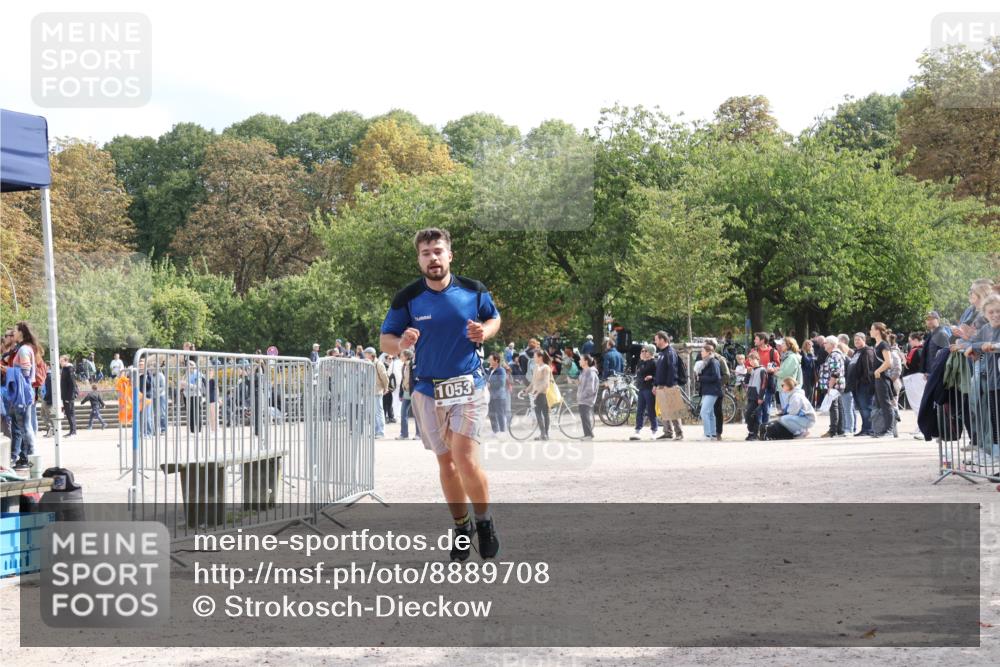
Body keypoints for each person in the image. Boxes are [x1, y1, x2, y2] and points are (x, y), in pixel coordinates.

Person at [379, 227, 501, 561]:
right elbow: (385, 340)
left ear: (450, 255)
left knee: (464, 457)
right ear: (419, 259)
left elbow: (494, 318)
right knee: (446, 465)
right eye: (426, 253)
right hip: (427, 390)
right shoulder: (408, 297)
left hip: (468, 385)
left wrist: (484, 331)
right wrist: (401, 344)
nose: (433, 258)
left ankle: (485, 521)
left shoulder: (473, 291)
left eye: (438, 251)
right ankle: (462, 527)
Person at [652, 331, 684, 441]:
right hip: (661, 385)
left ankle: (679, 433)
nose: (655, 342)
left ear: (662, 339)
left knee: (673, 410)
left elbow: (672, 370)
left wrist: (669, 384)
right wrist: (656, 384)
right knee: (664, 411)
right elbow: (659, 371)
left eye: (656, 339)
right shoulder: (662, 353)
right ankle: (668, 432)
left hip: (669, 385)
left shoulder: (670, 352)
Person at [870, 322, 897, 438]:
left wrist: (878, 371)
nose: (870, 331)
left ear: (877, 331)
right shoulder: (876, 345)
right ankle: (881, 429)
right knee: (879, 404)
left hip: (882, 378)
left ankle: (890, 430)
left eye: (872, 329)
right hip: (877, 379)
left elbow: (889, 362)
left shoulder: (884, 345)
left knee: (886, 404)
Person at [848, 332, 877, 436]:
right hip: (855, 385)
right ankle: (865, 428)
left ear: (864, 340)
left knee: (866, 407)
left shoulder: (867, 351)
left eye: (858, 339)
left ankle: (869, 429)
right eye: (855, 340)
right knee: (861, 407)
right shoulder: (857, 352)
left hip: (864, 385)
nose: (856, 342)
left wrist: (863, 381)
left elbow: (868, 369)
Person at [630, 344, 659, 441]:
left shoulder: (654, 363)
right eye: (642, 351)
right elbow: (638, 373)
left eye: (644, 351)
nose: (642, 353)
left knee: (651, 410)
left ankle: (654, 430)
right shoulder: (641, 362)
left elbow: (658, 376)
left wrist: (652, 378)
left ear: (650, 353)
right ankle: (637, 430)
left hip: (649, 388)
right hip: (641, 388)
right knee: (640, 410)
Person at [819, 336, 846, 438]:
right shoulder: (834, 354)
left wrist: (830, 385)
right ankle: (839, 429)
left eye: (826, 343)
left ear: (832, 344)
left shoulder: (834, 355)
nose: (824, 345)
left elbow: (835, 371)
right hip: (836, 384)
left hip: (834, 385)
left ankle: (833, 430)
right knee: (837, 406)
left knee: (833, 407)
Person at [697, 342, 723, 441]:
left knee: (704, 412)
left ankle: (707, 435)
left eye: (702, 351)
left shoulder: (713, 362)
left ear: (708, 352)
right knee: (710, 413)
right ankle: (712, 434)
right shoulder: (707, 362)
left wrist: (701, 378)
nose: (701, 353)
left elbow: (716, 377)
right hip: (708, 390)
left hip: (713, 391)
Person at [529, 350, 553, 441]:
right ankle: (543, 434)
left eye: (535, 356)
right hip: (537, 393)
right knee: (541, 414)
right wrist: (526, 390)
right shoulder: (536, 367)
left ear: (540, 357)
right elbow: (533, 382)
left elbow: (546, 383)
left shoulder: (546, 367)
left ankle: (544, 434)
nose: (534, 358)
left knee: (543, 414)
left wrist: (538, 392)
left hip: (543, 394)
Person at [397, 348, 420, 440]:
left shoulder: (413, 365)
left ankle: (419, 434)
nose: (400, 357)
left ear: (406, 356)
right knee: (403, 413)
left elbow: (416, 378)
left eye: (402, 355)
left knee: (416, 414)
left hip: (413, 392)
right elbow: (403, 380)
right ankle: (404, 434)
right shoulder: (404, 366)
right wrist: (400, 393)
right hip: (406, 392)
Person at [744, 351, 767, 440]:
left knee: (754, 415)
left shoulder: (762, 370)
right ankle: (751, 432)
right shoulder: (751, 370)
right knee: (749, 415)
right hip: (750, 395)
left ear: (758, 359)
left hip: (757, 396)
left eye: (753, 359)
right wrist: (748, 373)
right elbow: (746, 382)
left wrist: (761, 397)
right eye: (750, 360)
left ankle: (755, 433)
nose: (752, 362)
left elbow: (763, 384)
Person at [366, 348, 389, 438]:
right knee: (374, 412)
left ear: (371, 354)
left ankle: (381, 432)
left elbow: (384, 377)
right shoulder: (369, 363)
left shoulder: (378, 364)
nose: (365, 355)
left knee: (379, 412)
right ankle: (376, 431)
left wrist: (386, 388)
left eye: (366, 353)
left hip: (377, 390)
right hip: (371, 391)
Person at [775, 337, 802, 409]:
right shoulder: (787, 356)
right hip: (784, 387)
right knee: (786, 410)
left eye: (783, 343)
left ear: (789, 345)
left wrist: (774, 371)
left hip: (788, 388)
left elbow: (785, 373)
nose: (781, 345)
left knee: (788, 410)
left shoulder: (791, 357)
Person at [485, 353, 509, 435]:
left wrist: (490, 384)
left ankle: (502, 432)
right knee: (491, 414)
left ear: (496, 360)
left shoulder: (501, 370)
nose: (489, 361)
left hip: (499, 397)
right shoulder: (490, 370)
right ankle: (495, 431)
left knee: (500, 414)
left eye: (491, 359)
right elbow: (486, 379)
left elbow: (501, 383)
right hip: (490, 396)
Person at [577, 354, 599, 440]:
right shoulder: (584, 371)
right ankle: (587, 434)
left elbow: (590, 388)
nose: (579, 361)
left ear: (586, 361)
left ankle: (589, 435)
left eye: (581, 359)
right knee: (584, 417)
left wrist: (582, 395)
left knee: (585, 417)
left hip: (586, 399)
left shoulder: (590, 372)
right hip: (582, 399)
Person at [923, 311, 951, 376]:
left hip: (937, 375)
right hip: (929, 374)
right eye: (927, 319)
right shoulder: (930, 335)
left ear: (938, 320)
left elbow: (946, 357)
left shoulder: (942, 334)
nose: (929, 321)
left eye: (932, 318)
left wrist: (933, 374)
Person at [60, 354, 78, 436]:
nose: (60, 362)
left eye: (61, 361)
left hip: (68, 397)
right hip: (65, 396)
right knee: (69, 413)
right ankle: (72, 430)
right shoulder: (65, 369)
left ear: (66, 361)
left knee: (70, 413)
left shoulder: (69, 369)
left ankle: (73, 431)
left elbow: (72, 385)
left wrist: (68, 397)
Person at [801, 339, 818, 405]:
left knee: (812, 391)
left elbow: (815, 362)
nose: (811, 347)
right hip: (806, 374)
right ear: (806, 345)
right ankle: (805, 405)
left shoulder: (811, 353)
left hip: (812, 374)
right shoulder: (803, 352)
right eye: (810, 345)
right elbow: (807, 362)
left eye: (812, 346)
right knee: (807, 390)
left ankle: (810, 404)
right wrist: (811, 356)